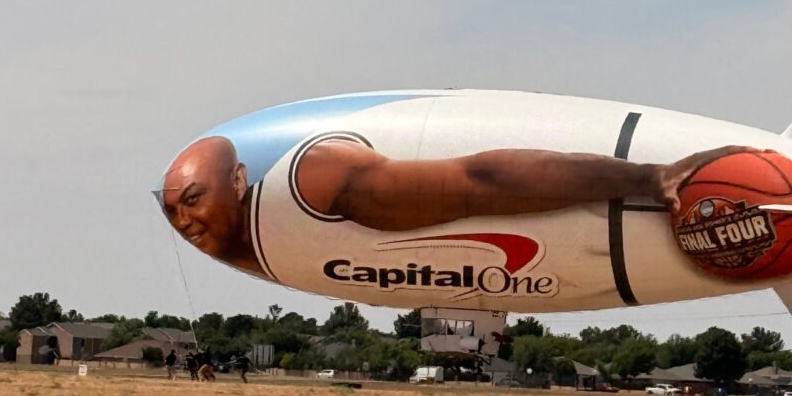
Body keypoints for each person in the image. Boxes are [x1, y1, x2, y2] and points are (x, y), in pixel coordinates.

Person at [158, 135, 755, 276]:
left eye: (193, 199)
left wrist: (647, 179)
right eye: (172, 211)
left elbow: (480, 181)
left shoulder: (313, 182)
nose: (185, 221)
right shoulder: (263, 239)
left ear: (239, 180)